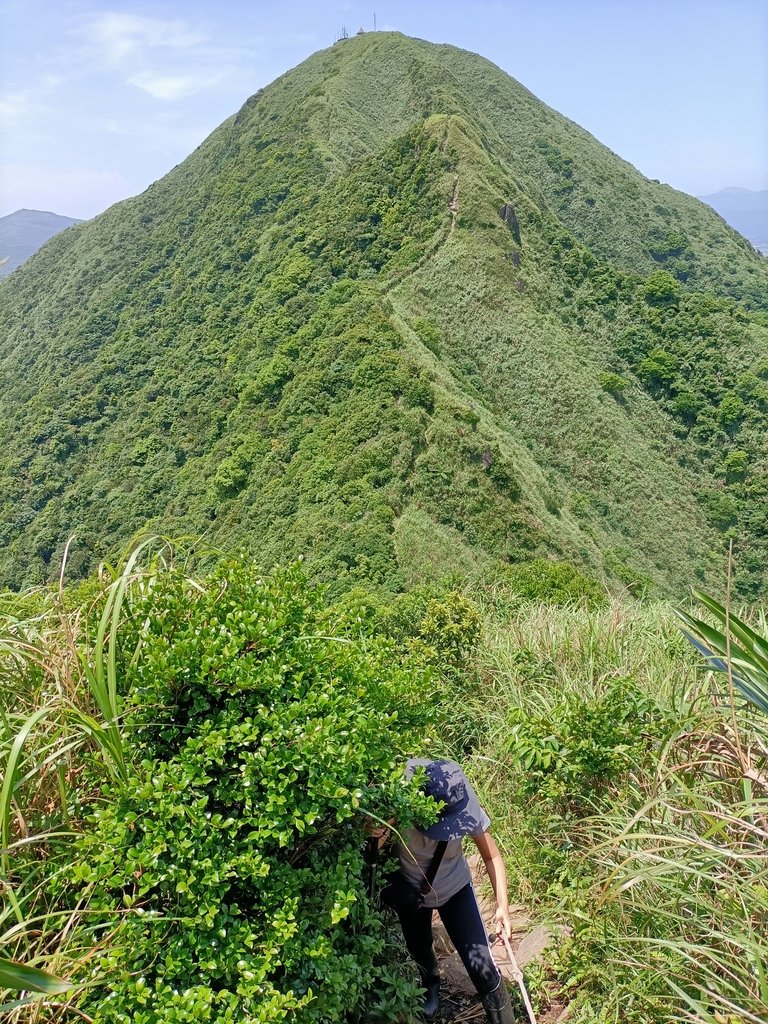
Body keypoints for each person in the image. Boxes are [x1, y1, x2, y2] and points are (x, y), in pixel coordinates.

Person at [389, 758, 516, 1023]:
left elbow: (492, 857)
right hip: (413, 893)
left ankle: (503, 1017)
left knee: (483, 967)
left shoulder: (462, 806)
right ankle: (431, 985)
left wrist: (502, 906)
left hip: (456, 889)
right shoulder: (396, 811)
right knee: (420, 948)